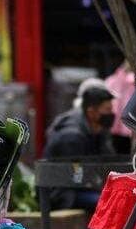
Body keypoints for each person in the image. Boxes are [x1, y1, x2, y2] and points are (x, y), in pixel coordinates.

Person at [40, 78, 117, 210]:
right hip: (63, 194)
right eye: (107, 110)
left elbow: (107, 160)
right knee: (109, 204)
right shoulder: (71, 136)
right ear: (91, 112)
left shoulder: (97, 130)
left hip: (81, 188)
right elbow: (76, 176)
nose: (111, 114)